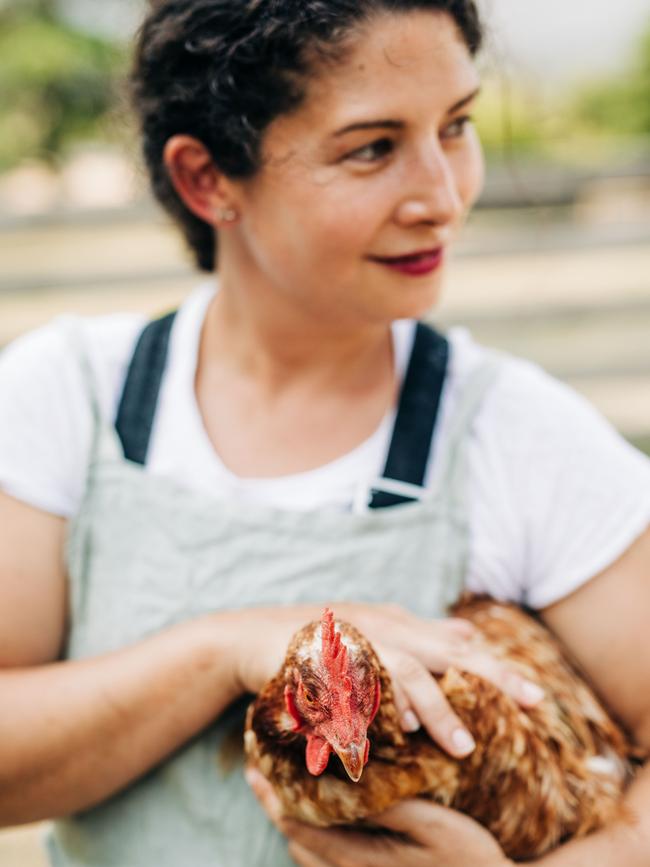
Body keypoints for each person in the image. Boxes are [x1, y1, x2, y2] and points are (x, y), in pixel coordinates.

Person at [0, 1, 649, 865]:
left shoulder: (511, 429)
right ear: (206, 180)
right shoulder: (70, 396)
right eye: (372, 148)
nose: (443, 196)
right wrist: (226, 647)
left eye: (456, 126)